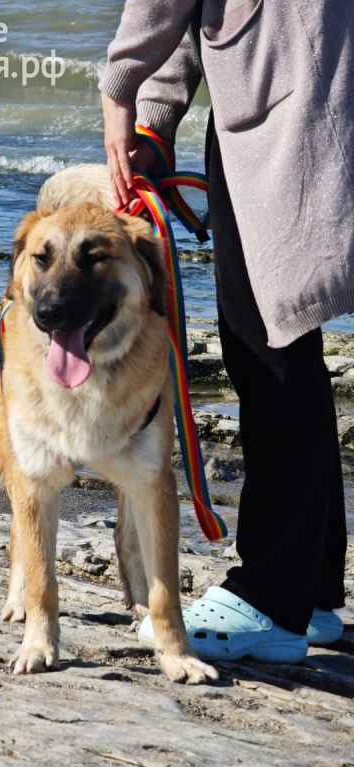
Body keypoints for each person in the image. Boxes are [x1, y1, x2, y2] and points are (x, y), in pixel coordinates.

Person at [99, 0, 349, 662]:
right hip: (285, 69)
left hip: (293, 79)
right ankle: (312, 592)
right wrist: (157, 115)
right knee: (285, 331)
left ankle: (272, 598)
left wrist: (123, 83)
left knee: (270, 340)